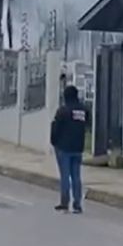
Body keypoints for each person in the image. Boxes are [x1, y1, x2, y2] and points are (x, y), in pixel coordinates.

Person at [49, 83, 90, 214]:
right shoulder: (83, 110)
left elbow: (55, 128)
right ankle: (77, 204)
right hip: (78, 147)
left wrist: (54, 142)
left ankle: (64, 202)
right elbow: (87, 125)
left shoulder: (63, 111)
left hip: (64, 148)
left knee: (65, 176)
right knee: (76, 176)